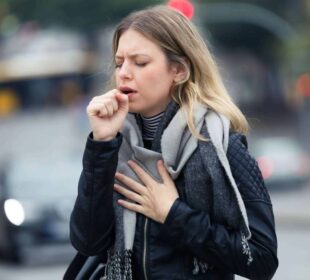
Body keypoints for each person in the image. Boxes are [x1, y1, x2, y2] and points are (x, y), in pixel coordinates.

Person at [69, 5, 278, 280]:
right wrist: (101, 142)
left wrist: (173, 213)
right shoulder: (113, 147)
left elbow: (261, 259)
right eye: (120, 63)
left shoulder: (222, 145)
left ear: (178, 70)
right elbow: (87, 242)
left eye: (140, 62)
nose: (123, 73)